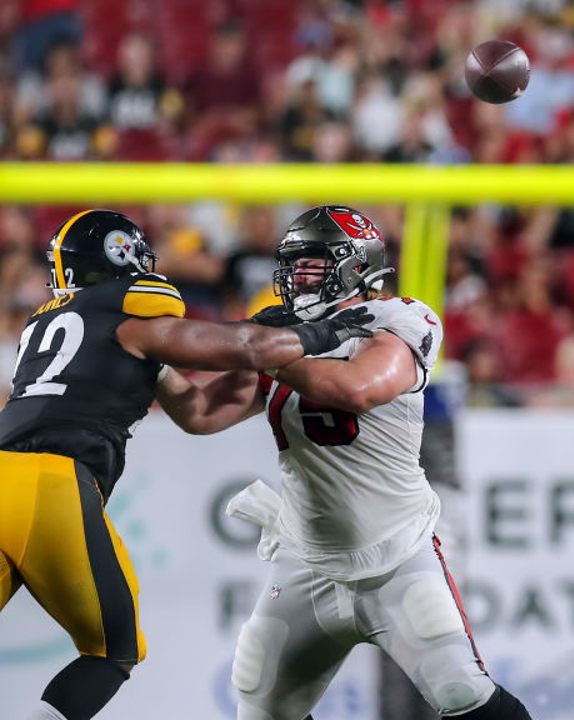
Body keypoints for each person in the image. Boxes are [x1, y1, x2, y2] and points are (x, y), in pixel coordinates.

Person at [152, 205, 535, 720]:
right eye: (291, 265)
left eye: (310, 264)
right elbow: (198, 414)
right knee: (259, 708)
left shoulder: (400, 318)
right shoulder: (283, 336)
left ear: (354, 267)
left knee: (464, 694)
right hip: (307, 562)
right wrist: (150, 363)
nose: (294, 278)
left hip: (397, 556)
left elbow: (358, 389)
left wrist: (271, 349)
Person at [0, 209, 375, 720]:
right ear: (120, 257)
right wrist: (323, 333)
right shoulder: (131, 321)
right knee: (113, 651)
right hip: (52, 483)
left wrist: (255, 350)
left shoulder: (49, 327)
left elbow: (197, 413)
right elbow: (242, 346)